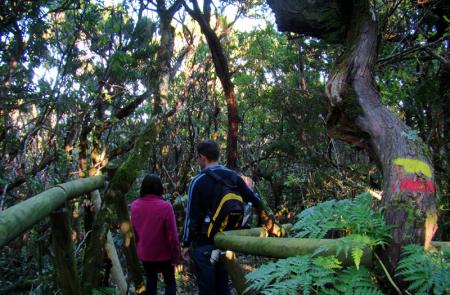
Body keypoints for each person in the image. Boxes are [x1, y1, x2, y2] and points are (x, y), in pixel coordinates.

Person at [181, 140, 281, 295]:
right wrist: (269, 223)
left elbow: (191, 217)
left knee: (206, 289)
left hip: (204, 243)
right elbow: (255, 201)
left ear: (202, 157)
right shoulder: (234, 177)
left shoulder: (197, 181)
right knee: (223, 287)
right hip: (226, 240)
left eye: (198, 157)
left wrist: (186, 244)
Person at [131, 174, 179, 295]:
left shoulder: (135, 205)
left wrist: (139, 248)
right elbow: (173, 235)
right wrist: (175, 256)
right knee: (170, 283)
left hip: (146, 253)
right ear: (159, 188)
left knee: (151, 283)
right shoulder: (165, 207)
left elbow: (135, 231)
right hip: (164, 255)